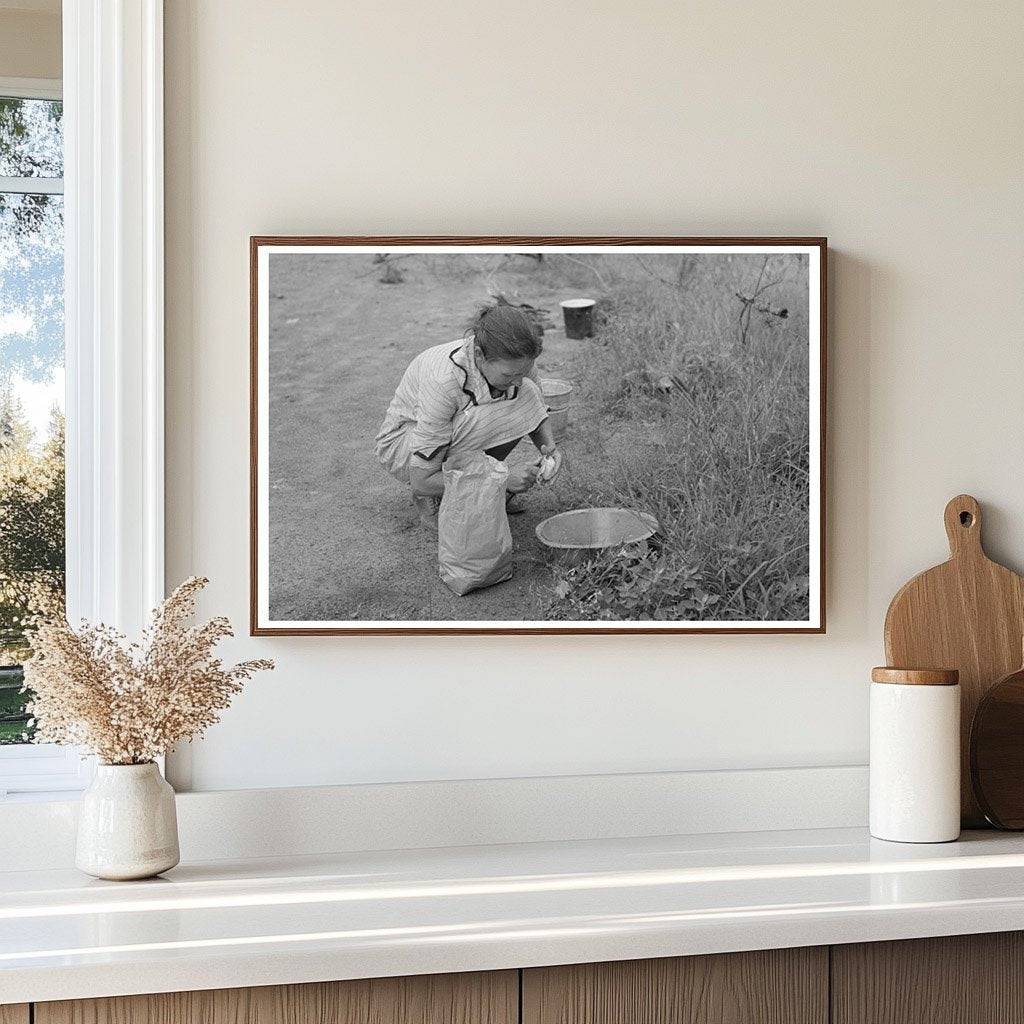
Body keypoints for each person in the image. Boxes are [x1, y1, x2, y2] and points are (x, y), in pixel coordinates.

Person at [376, 299, 562, 529]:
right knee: (493, 416)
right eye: (508, 375)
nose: (517, 379)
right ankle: (436, 498)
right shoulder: (444, 382)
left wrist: (550, 450)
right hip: (404, 446)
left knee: (522, 395)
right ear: (479, 355)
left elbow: (532, 405)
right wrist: (502, 479)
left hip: (452, 431)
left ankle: (476, 489)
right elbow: (421, 481)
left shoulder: (516, 363)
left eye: (523, 372)